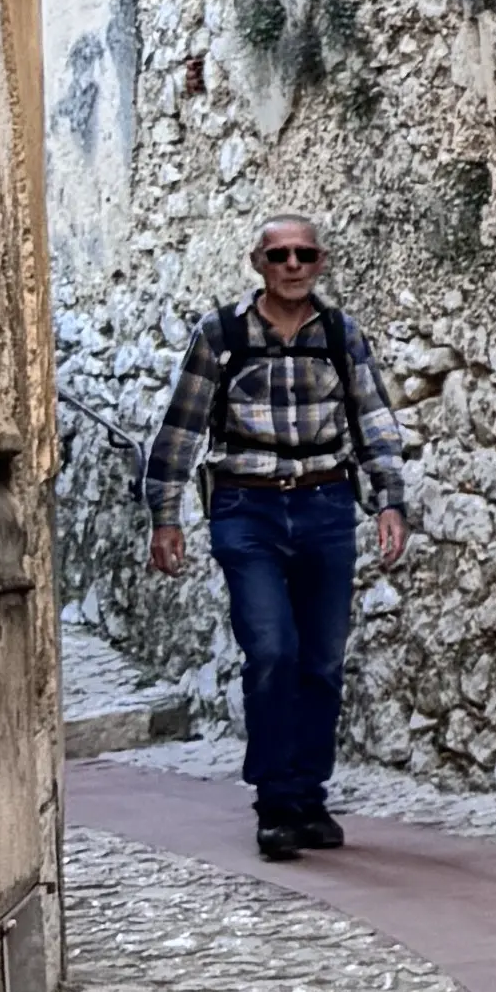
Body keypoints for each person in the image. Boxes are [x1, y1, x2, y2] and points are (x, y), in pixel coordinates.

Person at [142, 214, 415, 863]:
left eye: (305, 255)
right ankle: (273, 800)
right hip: (247, 511)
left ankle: (308, 796)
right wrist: (166, 514)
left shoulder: (341, 335)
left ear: (319, 263)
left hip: (324, 505)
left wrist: (389, 502)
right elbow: (181, 429)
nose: (293, 265)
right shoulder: (223, 335)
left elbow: (375, 422)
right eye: (280, 255)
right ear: (257, 263)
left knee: (320, 662)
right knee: (271, 651)